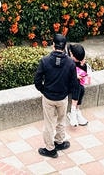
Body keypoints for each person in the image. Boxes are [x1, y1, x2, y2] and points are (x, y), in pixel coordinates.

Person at [33, 32, 78, 160]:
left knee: (49, 123)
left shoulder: (45, 60)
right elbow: (74, 83)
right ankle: (59, 142)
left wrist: (43, 90)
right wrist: (67, 92)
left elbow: (37, 80)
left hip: (48, 97)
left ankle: (50, 149)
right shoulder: (70, 63)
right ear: (64, 47)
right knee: (61, 120)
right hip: (62, 98)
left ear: (53, 45)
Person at [66, 43, 90, 127]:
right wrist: (74, 75)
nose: (78, 61)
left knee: (81, 88)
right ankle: (73, 112)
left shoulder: (78, 57)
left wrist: (82, 65)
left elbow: (84, 73)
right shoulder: (65, 55)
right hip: (63, 82)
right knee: (77, 83)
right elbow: (62, 72)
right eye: (77, 60)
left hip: (73, 83)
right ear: (71, 54)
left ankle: (76, 111)